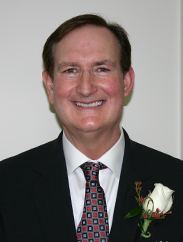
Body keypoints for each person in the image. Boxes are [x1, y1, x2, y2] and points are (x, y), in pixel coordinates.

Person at [0, 14, 183, 242]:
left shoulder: (177, 178)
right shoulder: (6, 185)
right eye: (70, 70)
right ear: (50, 86)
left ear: (126, 82)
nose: (86, 88)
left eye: (102, 69)